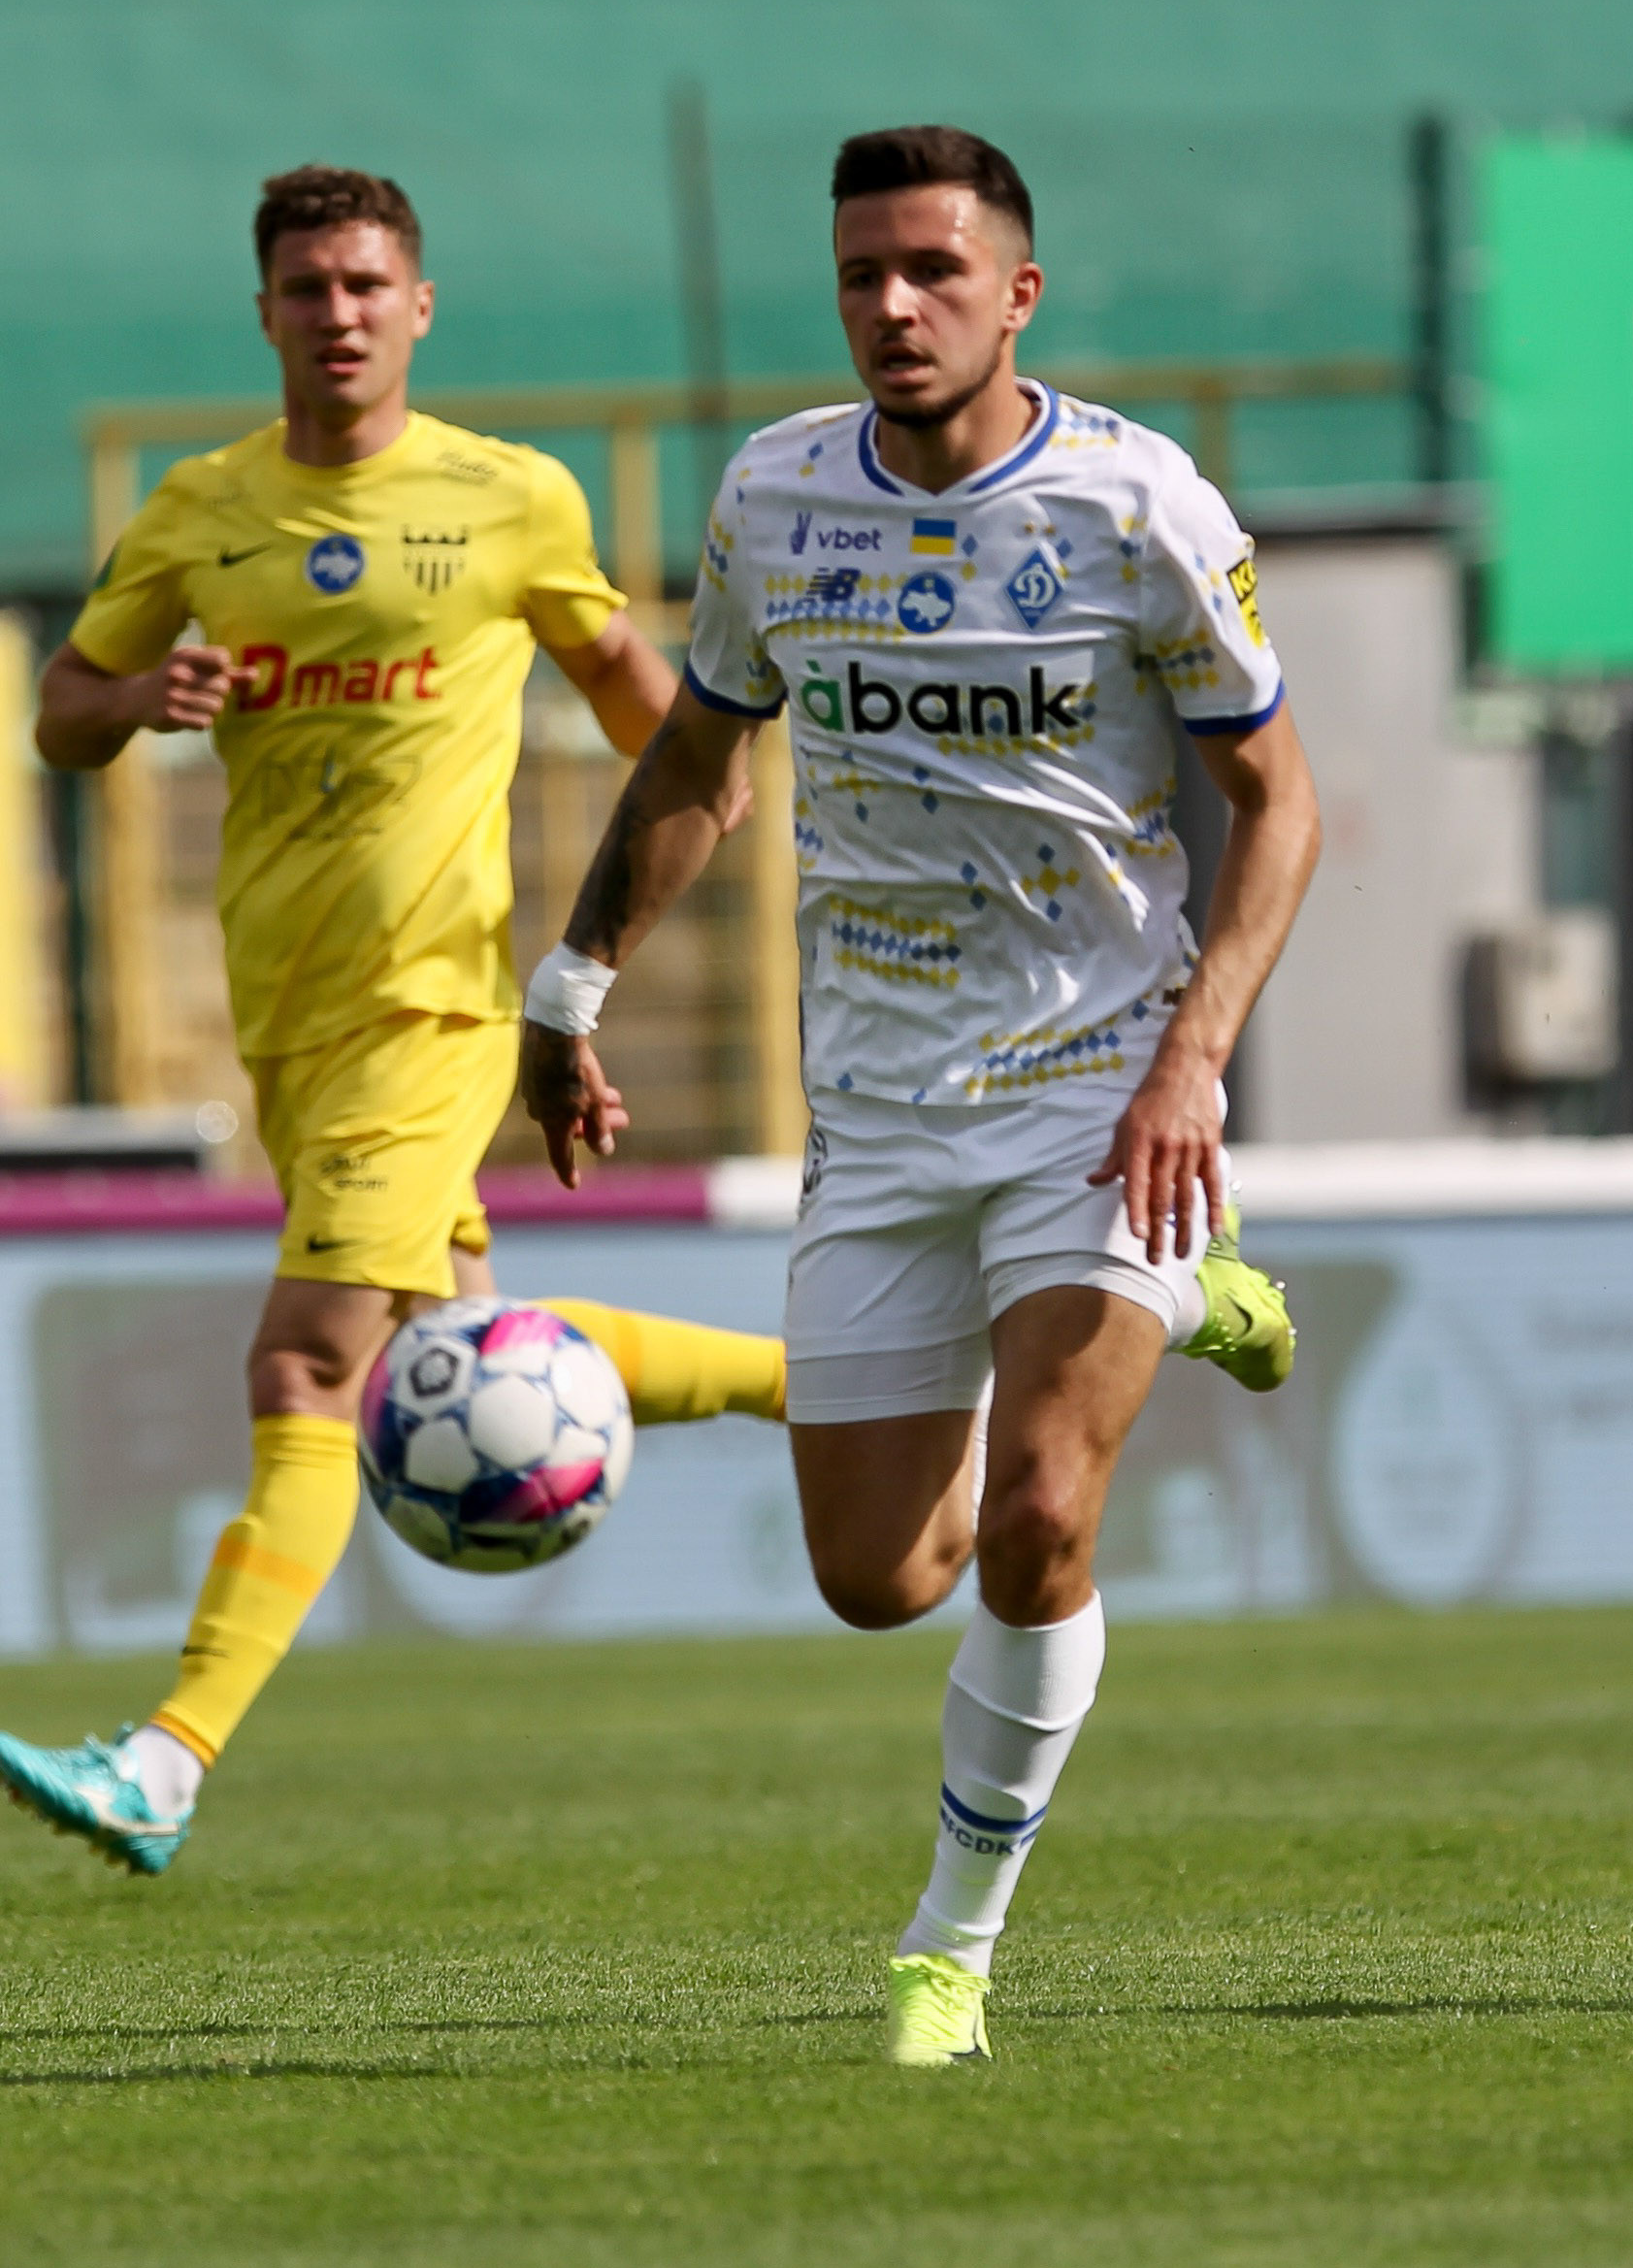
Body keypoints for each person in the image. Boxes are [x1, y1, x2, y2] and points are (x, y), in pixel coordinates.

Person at [519, 125, 1314, 2062]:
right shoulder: (775, 498)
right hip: (879, 1106)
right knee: (881, 1579)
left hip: (1100, 1087)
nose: (892, 305)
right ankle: (1192, 1303)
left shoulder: (1136, 504)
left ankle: (947, 1949)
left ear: (1017, 294)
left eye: (933, 271)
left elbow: (1279, 800)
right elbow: (699, 761)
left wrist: (1194, 1054)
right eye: (862, 273)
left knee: (1040, 1509)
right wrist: (571, 982)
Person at [0, 165, 788, 1875]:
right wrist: (136, 694)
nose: (336, 315)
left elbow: (649, 706)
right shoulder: (201, 509)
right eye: (306, 288)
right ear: (263, 313)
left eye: (364, 286)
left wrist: (691, 828)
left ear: (419, 307)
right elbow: (59, 712)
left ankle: (168, 1760)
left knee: (306, 1364)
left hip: (432, 1005)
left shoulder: (508, 500)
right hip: (285, 1015)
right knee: (462, 1344)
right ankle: (860, 1389)